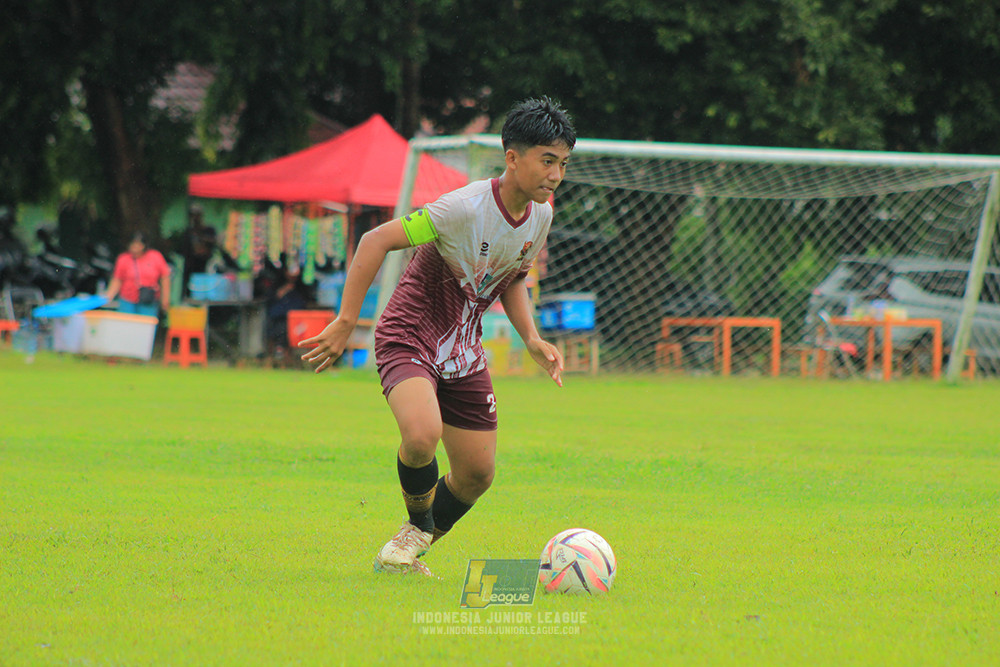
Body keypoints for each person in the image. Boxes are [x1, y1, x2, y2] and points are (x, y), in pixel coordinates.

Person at [300, 97, 576, 576]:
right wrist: (345, 320)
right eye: (547, 160)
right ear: (513, 157)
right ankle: (416, 530)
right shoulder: (462, 207)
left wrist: (531, 338)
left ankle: (403, 550)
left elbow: (513, 276)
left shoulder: (541, 215)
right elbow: (374, 240)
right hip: (409, 335)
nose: (555, 175)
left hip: (463, 351)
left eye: (564, 164)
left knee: (477, 473)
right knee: (422, 434)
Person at [105, 232, 171, 318]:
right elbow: (117, 279)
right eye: (133, 245)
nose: (135, 248)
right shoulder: (123, 259)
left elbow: (165, 277)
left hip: (148, 300)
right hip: (127, 299)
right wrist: (108, 296)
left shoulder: (155, 257)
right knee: (125, 323)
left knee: (146, 323)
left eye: (138, 245)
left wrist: (165, 299)